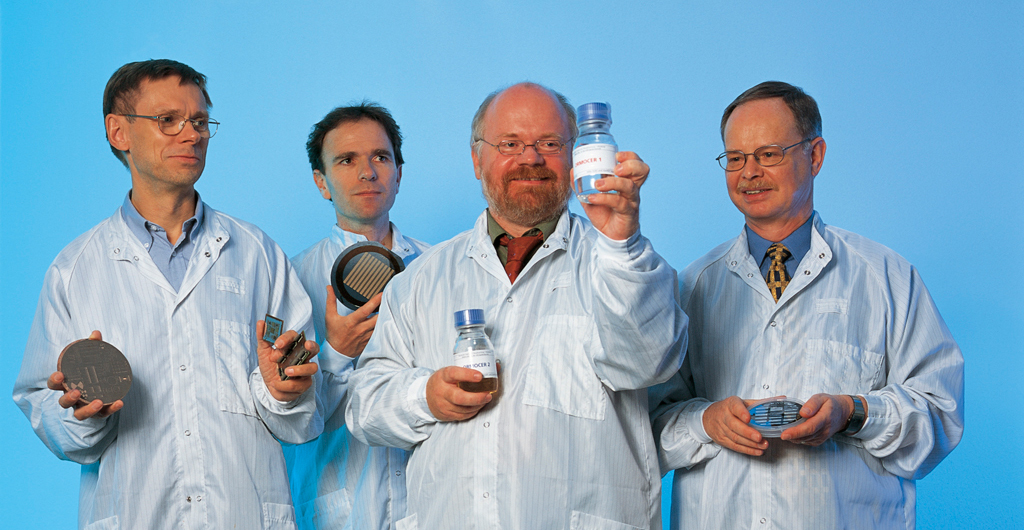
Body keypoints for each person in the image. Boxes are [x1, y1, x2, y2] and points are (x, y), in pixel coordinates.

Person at [346, 82, 687, 529]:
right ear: (476, 160)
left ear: (575, 156)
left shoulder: (627, 261)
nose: (530, 158)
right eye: (509, 144)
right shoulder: (420, 280)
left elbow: (647, 363)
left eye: (549, 143)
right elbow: (364, 406)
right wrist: (424, 396)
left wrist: (620, 243)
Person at [12, 59, 323, 529]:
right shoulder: (75, 270)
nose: (191, 134)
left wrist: (284, 391)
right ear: (119, 132)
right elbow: (43, 405)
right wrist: (80, 414)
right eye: (168, 121)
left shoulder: (257, 254)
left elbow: (303, 413)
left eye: (199, 122)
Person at [650, 81, 964, 530]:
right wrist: (706, 420)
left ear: (815, 156)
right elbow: (647, 428)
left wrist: (852, 412)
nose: (748, 173)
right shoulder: (691, 287)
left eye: (769, 154)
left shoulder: (885, 277)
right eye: (735, 158)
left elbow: (942, 413)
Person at [283, 102, 430, 529]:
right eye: (346, 160)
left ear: (399, 174)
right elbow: (285, 420)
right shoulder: (290, 280)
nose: (368, 172)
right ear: (322, 182)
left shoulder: (442, 269)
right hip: (340, 510)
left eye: (380, 157)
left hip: (430, 501)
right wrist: (336, 353)